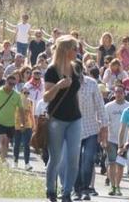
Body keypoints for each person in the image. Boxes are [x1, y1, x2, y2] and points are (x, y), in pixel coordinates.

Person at [43, 36, 82, 202]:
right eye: (74, 48)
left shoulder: (76, 68)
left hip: (75, 119)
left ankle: (67, 193)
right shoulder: (52, 70)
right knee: (56, 158)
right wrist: (59, 86)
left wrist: (80, 111)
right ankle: (51, 190)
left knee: (74, 158)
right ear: (66, 50)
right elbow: (46, 98)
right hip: (57, 120)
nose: (77, 51)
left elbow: (76, 94)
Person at [74, 63, 108, 201]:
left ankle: (85, 189)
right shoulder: (67, 84)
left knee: (88, 160)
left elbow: (100, 106)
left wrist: (104, 127)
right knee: (76, 161)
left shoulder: (92, 84)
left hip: (90, 128)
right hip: (73, 129)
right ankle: (76, 190)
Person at [104, 85, 129, 197]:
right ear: (114, 93)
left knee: (120, 164)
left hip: (124, 142)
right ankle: (113, 186)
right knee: (111, 162)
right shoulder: (108, 107)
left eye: (120, 92)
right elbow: (104, 123)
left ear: (124, 93)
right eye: (116, 92)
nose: (118, 94)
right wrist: (104, 139)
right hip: (111, 139)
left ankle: (118, 186)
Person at [0, 72, 23, 163]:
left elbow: (21, 109)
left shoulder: (17, 95)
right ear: (6, 82)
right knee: (3, 140)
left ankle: (3, 156)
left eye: (13, 84)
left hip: (11, 123)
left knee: (7, 142)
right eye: (10, 84)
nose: (11, 86)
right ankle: (3, 160)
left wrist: (22, 123)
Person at [13, 76, 35, 170]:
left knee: (27, 145)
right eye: (25, 92)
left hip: (28, 125)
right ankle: (15, 161)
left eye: (28, 93)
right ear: (21, 93)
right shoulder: (16, 101)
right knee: (16, 144)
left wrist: (34, 125)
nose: (26, 94)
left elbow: (31, 114)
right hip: (17, 125)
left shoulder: (30, 102)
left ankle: (27, 163)